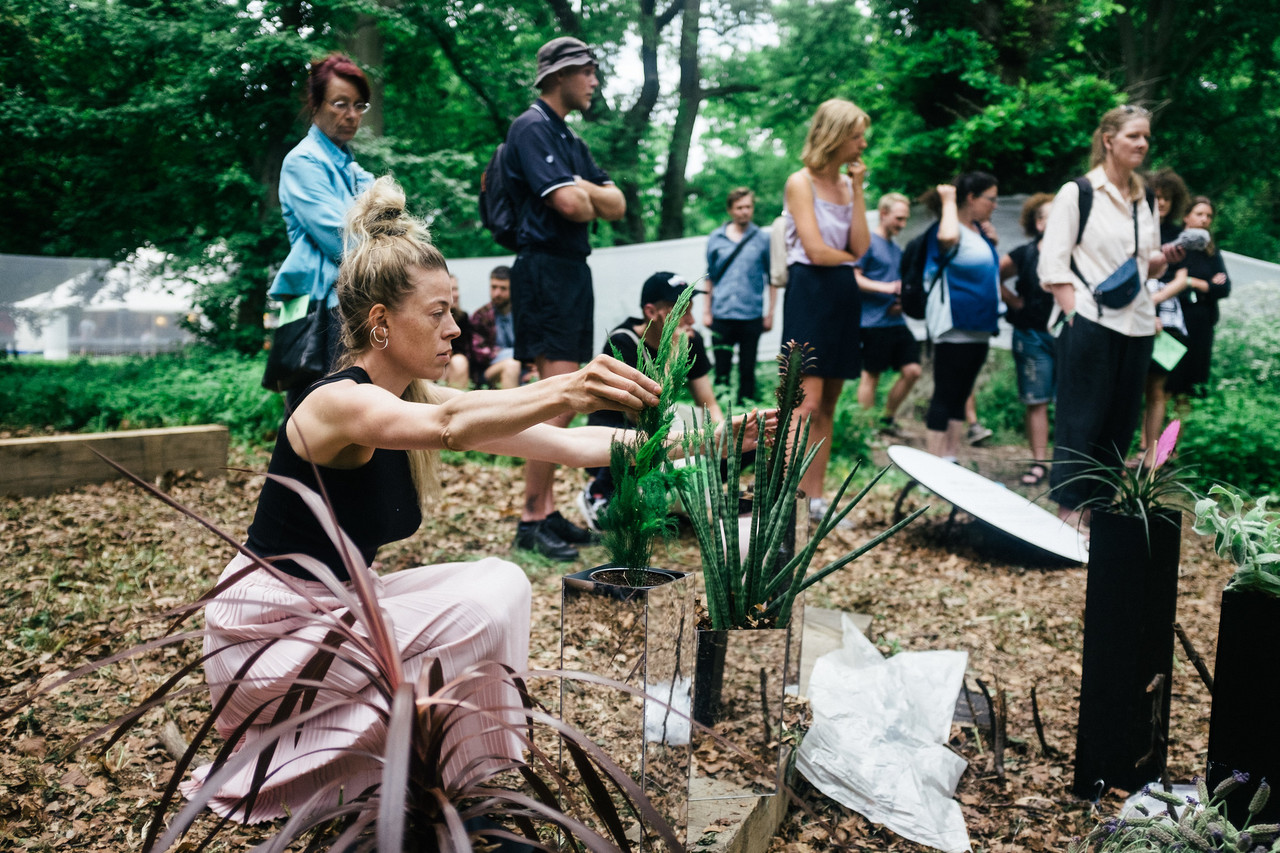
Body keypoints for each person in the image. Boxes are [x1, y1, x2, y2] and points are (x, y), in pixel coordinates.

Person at [180, 177, 664, 824]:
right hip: (271, 639)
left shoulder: (412, 396)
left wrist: (701, 440)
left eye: (453, 311)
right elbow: (453, 426)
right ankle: (432, 777)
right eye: (437, 313)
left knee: (500, 582)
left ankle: (457, 773)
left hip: (340, 610)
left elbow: (562, 444)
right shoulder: (336, 401)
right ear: (381, 322)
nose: (455, 328)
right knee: (493, 594)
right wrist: (571, 385)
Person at [502, 36, 626, 560]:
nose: (595, 81)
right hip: (545, 269)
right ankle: (531, 518)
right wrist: (586, 191)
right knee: (556, 397)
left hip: (571, 270)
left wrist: (588, 191)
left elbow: (616, 204)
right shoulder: (531, 128)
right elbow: (575, 204)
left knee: (564, 397)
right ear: (562, 75)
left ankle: (547, 509)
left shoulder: (568, 138)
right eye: (589, 71)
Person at [1038, 104, 1170, 526]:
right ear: (1109, 139)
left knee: (1120, 421)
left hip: (1137, 322)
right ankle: (1068, 517)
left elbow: (1146, 262)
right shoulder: (1078, 193)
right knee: (1082, 417)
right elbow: (1053, 265)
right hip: (1090, 319)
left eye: (1146, 136)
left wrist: (1165, 258)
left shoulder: (1144, 196)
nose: (1143, 144)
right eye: (1134, 135)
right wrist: (1074, 313)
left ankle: (1098, 515)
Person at [781, 98, 872, 521]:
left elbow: (862, 247)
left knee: (830, 403)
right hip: (810, 291)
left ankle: (814, 500)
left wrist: (857, 189)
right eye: (856, 135)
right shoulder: (800, 182)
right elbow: (815, 252)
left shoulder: (848, 184)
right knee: (804, 403)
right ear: (835, 135)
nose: (862, 143)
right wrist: (847, 258)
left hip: (842, 292)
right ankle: (786, 500)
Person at [269, 53, 375, 409]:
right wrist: (393, 255)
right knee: (310, 417)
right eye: (340, 104)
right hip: (320, 309)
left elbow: (388, 218)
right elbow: (341, 239)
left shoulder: (351, 167)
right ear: (316, 104)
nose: (352, 115)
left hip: (348, 302)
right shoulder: (303, 161)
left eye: (359, 105)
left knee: (344, 414)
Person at [579, 272, 724, 531]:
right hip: (621, 429)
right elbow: (645, 413)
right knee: (642, 437)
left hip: (661, 428)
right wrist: (672, 355)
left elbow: (708, 403)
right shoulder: (623, 342)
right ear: (650, 311)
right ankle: (599, 492)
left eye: (690, 310)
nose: (689, 320)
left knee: (730, 443)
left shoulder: (692, 338)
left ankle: (678, 501)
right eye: (679, 311)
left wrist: (723, 439)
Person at [921, 173, 1001, 463]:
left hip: (980, 327)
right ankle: (933, 464)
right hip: (953, 325)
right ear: (971, 198)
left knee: (961, 393)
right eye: (990, 199)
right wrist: (948, 200)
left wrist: (992, 241)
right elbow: (947, 238)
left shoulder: (980, 232)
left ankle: (950, 460)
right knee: (945, 392)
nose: (994, 205)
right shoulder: (947, 228)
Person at [998, 192, 1057, 485]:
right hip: (1032, 335)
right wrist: (1014, 302)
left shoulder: (1078, 253)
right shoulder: (1024, 253)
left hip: (1069, 335)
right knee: (1038, 400)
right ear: (1038, 222)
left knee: (1071, 401)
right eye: (1051, 214)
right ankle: (1039, 464)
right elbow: (993, 275)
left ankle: (1065, 466)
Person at [854, 191, 921, 436]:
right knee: (871, 376)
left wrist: (900, 300)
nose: (902, 225)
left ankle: (886, 420)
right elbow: (854, 277)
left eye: (905, 220)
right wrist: (888, 288)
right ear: (883, 214)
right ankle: (866, 430)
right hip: (872, 322)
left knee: (913, 370)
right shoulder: (867, 242)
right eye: (899, 219)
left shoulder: (896, 249)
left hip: (895, 320)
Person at [1138, 169, 1192, 465]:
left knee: (1157, 389)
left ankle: (1150, 457)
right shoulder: (1133, 228)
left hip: (1167, 321)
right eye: (1156, 196)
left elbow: (1181, 279)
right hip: (1131, 315)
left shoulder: (1177, 235)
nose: (1161, 202)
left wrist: (1153, 305)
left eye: (1167, 198)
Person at [704, 187, 775, 405]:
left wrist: (770, 313)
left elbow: (772, 278)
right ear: (730, 210)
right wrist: (706, 311)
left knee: (748, 369)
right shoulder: (716, 238)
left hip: (751, 315)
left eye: (748, 207)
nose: (744, 212)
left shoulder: (763, 239)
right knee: (721, 370)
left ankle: (747, 415)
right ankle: (718, 417)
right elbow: (710, 276)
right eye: (739, 207)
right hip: (722, 314)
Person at [1167, 195, 1230, 401]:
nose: (1205, 219)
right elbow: (1172, 281)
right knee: (1167, 383)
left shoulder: (1211, 250)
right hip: (1176, 320)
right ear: (1186, 216)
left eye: (1209, 216)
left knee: (1191, 388)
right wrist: (1206, 284)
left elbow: (1224, 288)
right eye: (1199, 214)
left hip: (1202, 323)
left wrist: (1190, 282)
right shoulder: (1175, 245)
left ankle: (1179, 432)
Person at [470, 265, 525, 389]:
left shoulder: (524, 314)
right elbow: (480, 354)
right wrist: (519, 356)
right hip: (490, 370)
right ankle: (512, 409)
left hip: (524, 367)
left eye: (503, 288)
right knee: (512, 366)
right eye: (494, 287)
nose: (497, 293)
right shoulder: (481, 315)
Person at [441, 273, 476, 390]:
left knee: (459, 362)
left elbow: (467, 351)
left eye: (456, 289)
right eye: (451, 290)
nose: (456, 294)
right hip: (434, 362)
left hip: (455, 364)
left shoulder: (463, 317)